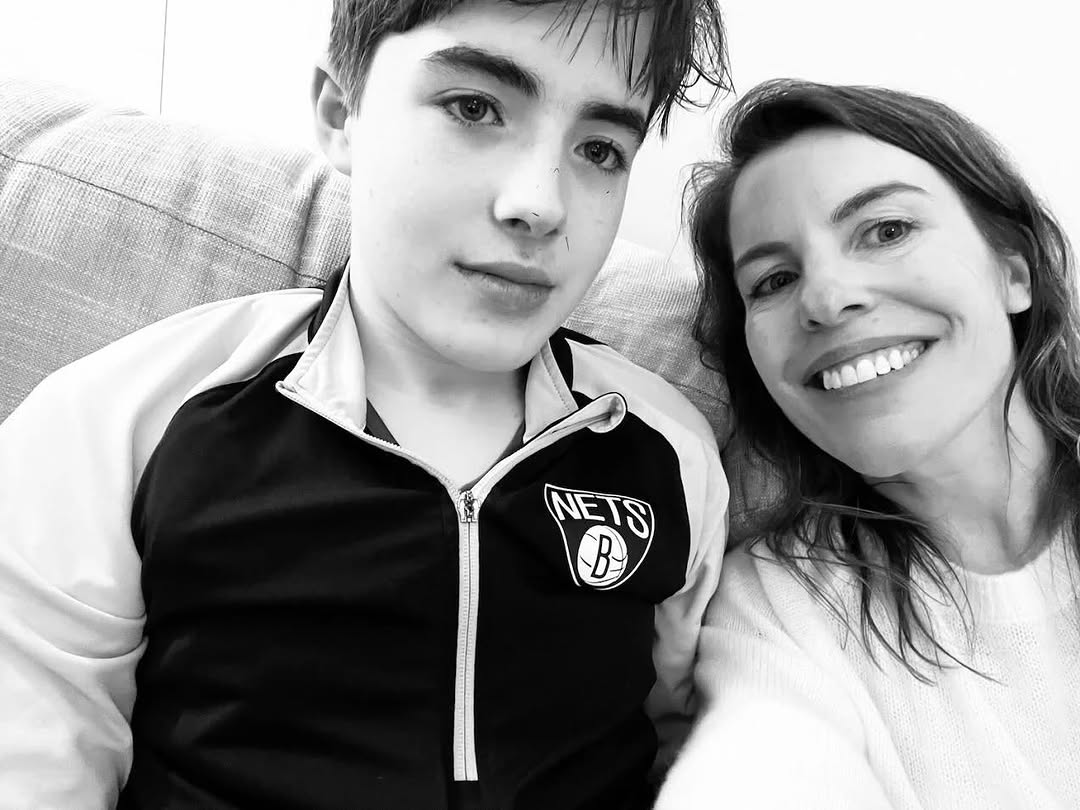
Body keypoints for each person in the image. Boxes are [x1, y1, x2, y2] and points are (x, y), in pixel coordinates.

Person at [0, 2, 732, 808]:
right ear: (340, 113)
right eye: (474, 108)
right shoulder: (118, 425)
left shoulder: (670, 449)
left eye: (599, 150)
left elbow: (684, 745)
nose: (541, 203)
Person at [654, 78, 1080, 809]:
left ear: (1014, 271)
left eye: (885, 231)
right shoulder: (781, 611)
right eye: (773, 279)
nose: (826, 298)